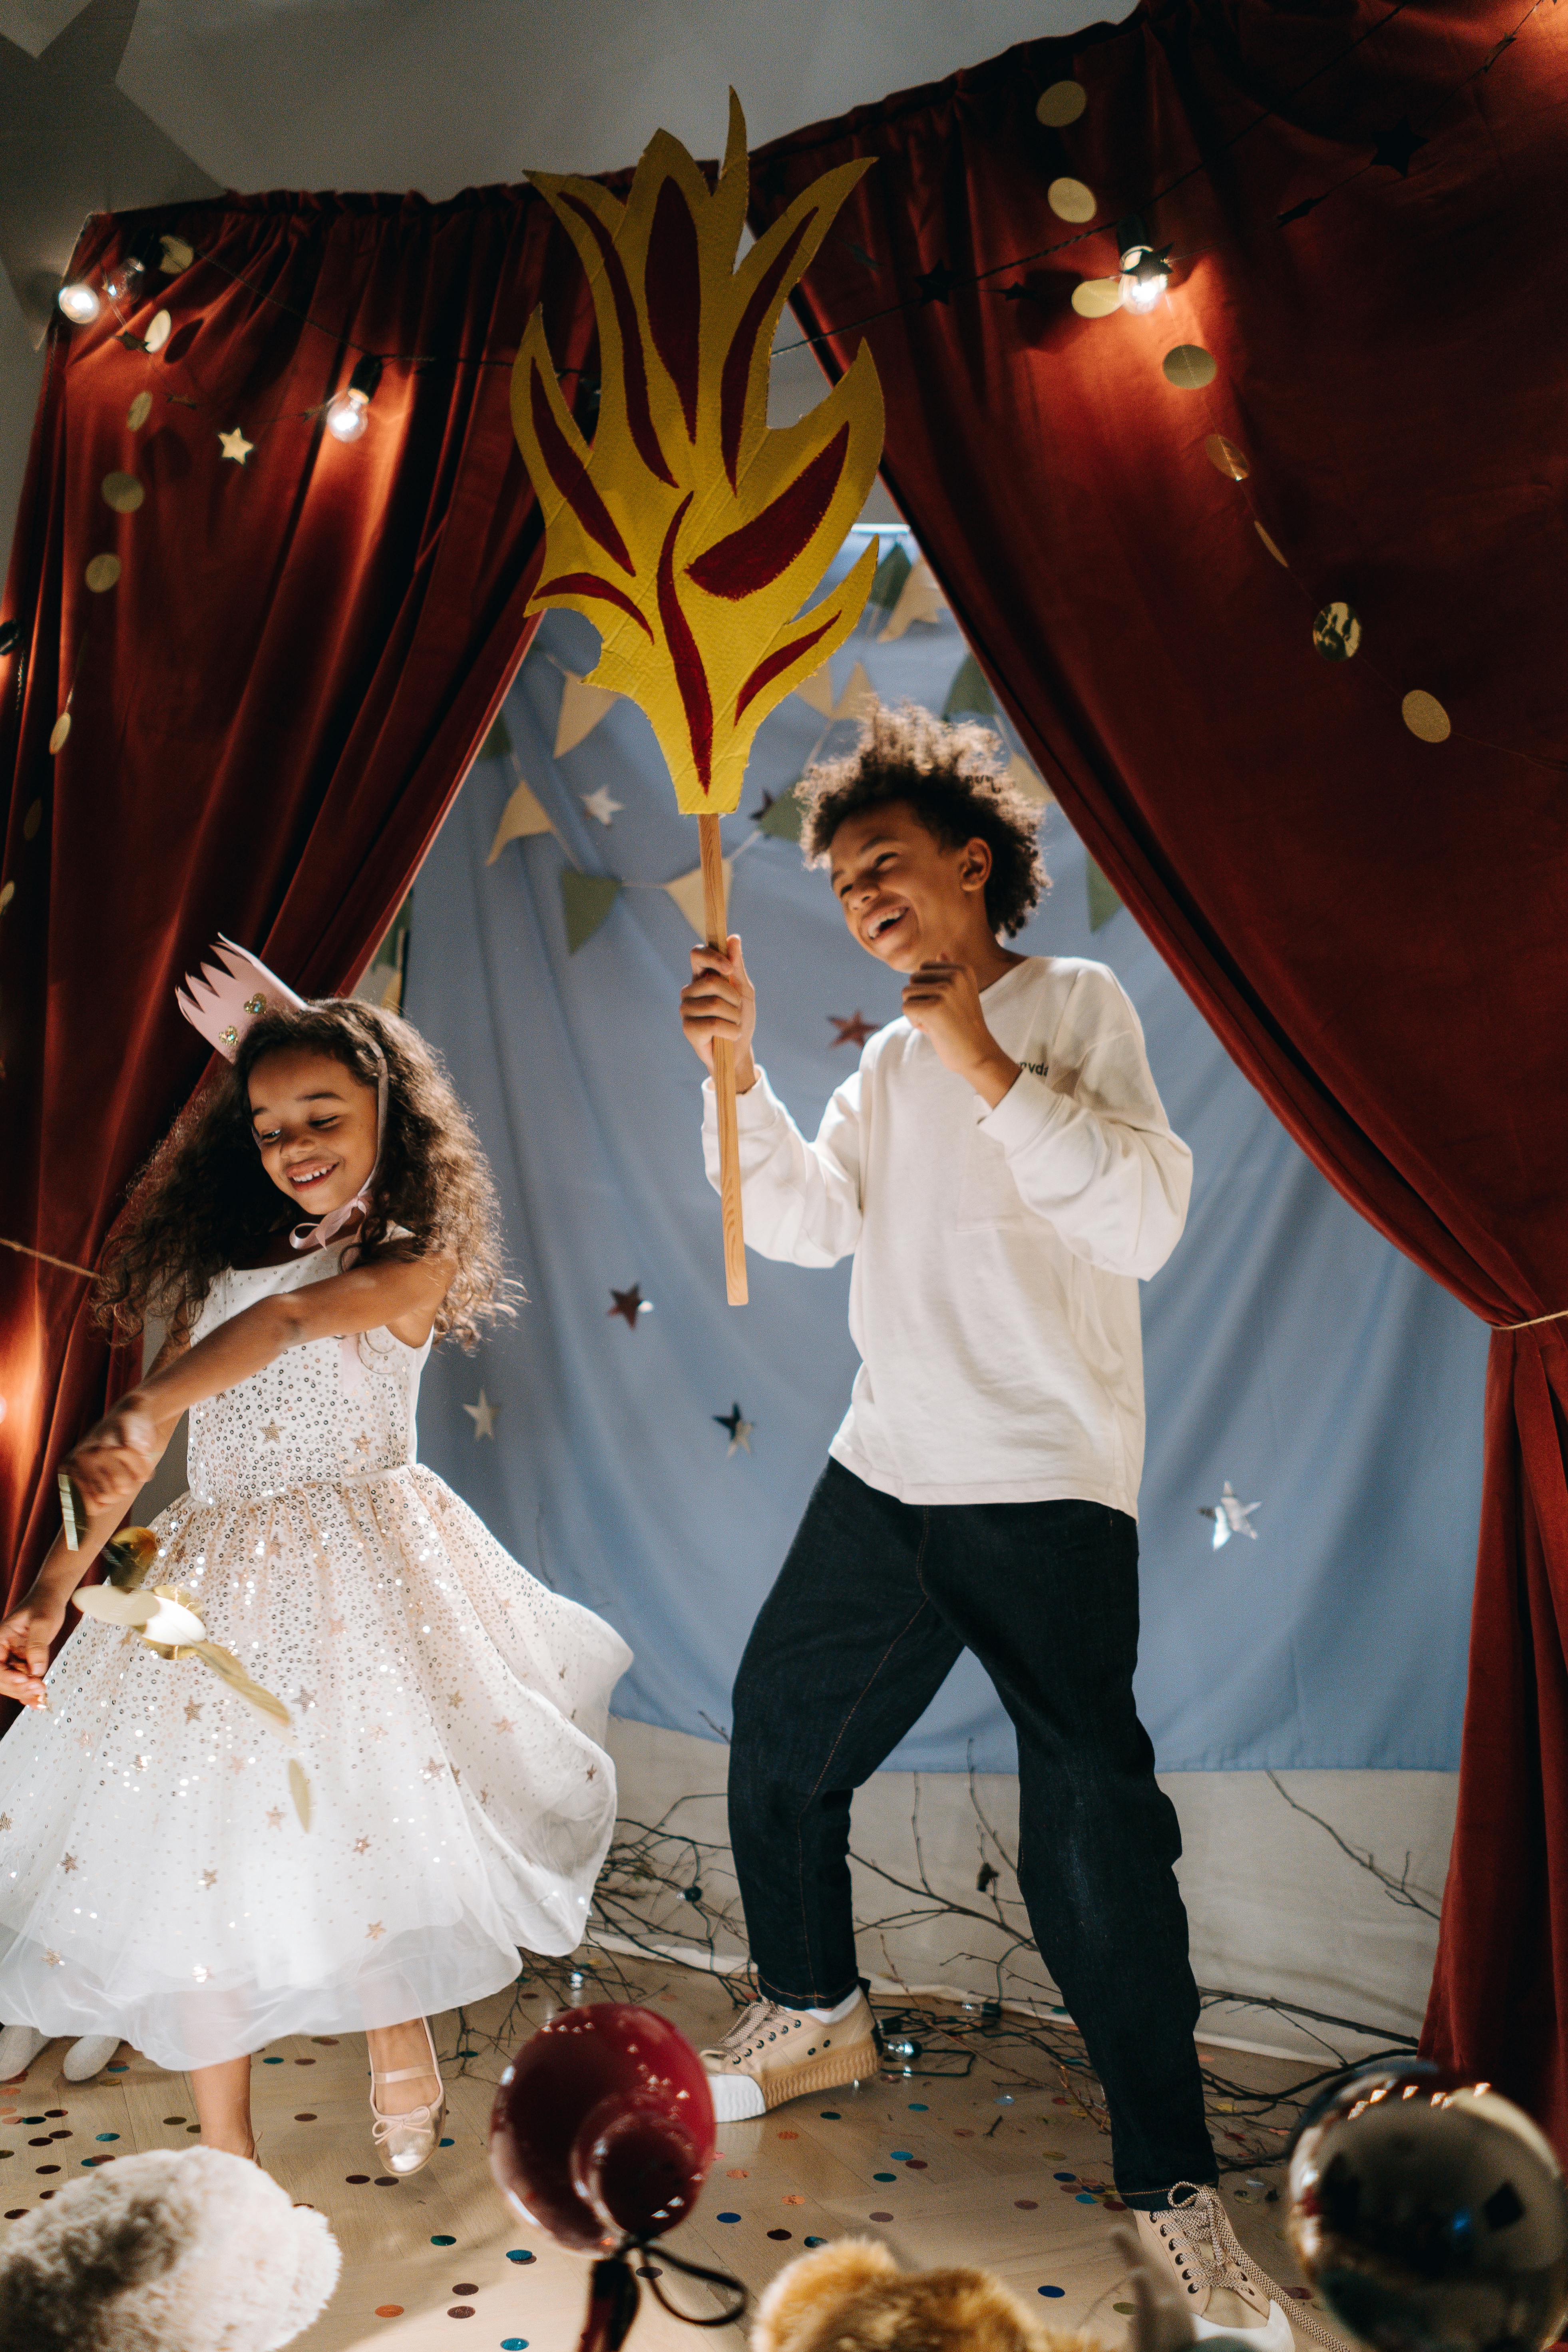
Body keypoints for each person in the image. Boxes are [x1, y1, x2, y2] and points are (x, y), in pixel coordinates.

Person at [679, 705, 1291, 2345]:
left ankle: (1176, 2190)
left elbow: (1144, 1217)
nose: (865, 895)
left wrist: (982, 1054)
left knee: (1092, 1842)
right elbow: (806, 1223)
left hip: (1044, 1483)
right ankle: (816, 2007)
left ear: (973, 863)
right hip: (891, 1471)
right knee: (784, 1740)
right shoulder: (880, 1058)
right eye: (845, 880)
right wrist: (737, 1079)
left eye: (887, 863)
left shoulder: (1074, 1005)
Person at [0, 945, 630, 2175]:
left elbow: (288, 1322)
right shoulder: (214, 1269)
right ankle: (226, 2154)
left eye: (323, 1115)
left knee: (357, 1815)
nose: (292, 1141)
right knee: (202, 1849)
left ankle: (400, 2035)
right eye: (267, 1120)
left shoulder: (408, 1265)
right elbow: (128, 1459)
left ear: (389, 1118)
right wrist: (42, 1601)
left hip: (356, 1573)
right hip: (210, 1578)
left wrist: (146, 1406)